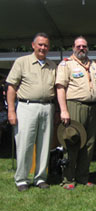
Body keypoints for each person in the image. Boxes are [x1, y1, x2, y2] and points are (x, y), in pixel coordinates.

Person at [6, 32, 56, 191]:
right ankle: (21, 179)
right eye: (40, 44)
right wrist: (11, 111)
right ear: (33, 45)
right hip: (27, 107)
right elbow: (11, 88)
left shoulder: (52, 65)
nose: (43, 48)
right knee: (24, 144)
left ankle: (40, 178)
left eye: (46, 45)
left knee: (44, 144)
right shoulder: (21, 62)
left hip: (47, 107)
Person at [56, 36, 96, 189]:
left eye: (84, 46)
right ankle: (68, 179)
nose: (82, 48)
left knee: (89, 144)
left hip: (92, 107)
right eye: (79, 46)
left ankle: (83, 176)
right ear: (74, 47)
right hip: (75, 105)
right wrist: (64, 110)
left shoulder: (94, 65)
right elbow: (60, 87)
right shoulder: (66, 64)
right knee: (72, 141)